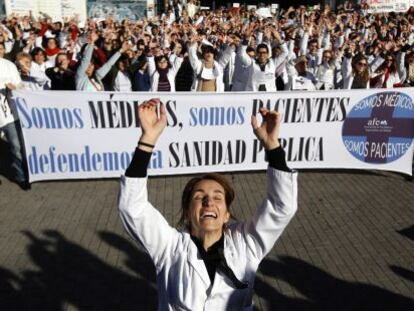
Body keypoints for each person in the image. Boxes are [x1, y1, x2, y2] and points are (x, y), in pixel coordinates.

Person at [118, 98, 298, 309]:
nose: (208, 201)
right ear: (187, 212)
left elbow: (282, 206)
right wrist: (148, 139)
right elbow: (133, 208)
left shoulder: (247, 244)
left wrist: (272, 146)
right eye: (199, 196)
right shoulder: (169, 247)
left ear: (226, 215)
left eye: (217, 197)